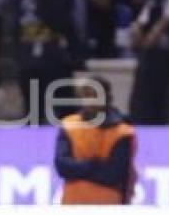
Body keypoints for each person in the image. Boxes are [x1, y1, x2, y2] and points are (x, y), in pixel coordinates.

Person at [55, 76, 137, 205]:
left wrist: (79, 169)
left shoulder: (122, 131)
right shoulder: (69, 125)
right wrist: (94, 165)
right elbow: (62, 166)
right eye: (87, 95)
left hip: (108, 206)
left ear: (107, 98)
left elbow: (114, 174)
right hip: (72, 205)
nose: (91, 101)